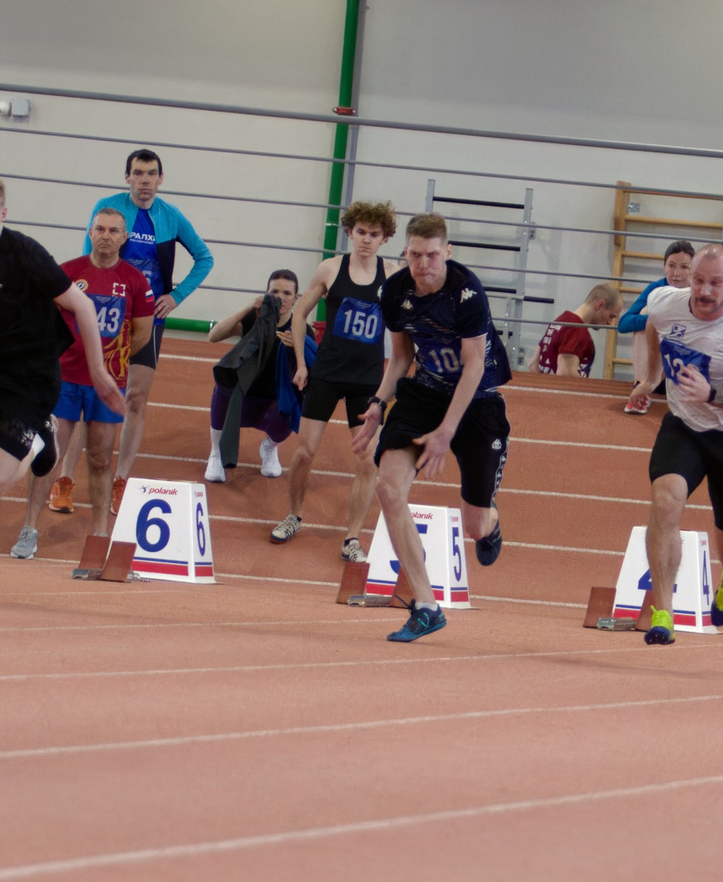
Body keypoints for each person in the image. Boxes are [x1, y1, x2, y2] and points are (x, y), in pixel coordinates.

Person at [0, 173, 119, 598]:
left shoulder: (24, 253)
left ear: (2, 213)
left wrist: (97, 370)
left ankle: (40, 438)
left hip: (32, 376)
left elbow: (84, 305)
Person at [351, 213, 512, 643]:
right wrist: (377, 403)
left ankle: (491, 521)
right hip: (424, 392)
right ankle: (426, 605)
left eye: (433, 255)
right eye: (416, 255)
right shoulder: (395, 291)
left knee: (474, 524)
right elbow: (401, 357)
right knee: (388, 488)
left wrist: (446, 431)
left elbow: (474, 366)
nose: (424, 264)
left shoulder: (467, 292)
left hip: (477, 401)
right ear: (406, 252)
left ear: (448, 252)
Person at [625, 243, 723, 645]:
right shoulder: (667, 302)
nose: (705, 292)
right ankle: (663, 612)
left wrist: (712, 394)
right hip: (684, 425)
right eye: (698, 281)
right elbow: (653, 324)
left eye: (715, 283)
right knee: (665, 498)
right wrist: (653, 376)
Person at [13, 208, 152, 558]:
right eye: (100, 229)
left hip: (108, 384)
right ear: (90, 232)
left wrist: (110, 362)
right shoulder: (67, 272)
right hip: (64, 379)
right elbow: (44, 319)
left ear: (124, 237)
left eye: (113, 230)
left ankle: (100, 535)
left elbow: (142, 334)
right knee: (48, 453)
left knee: (102, 459)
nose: (106, 235)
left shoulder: (136, 281)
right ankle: (29, 528)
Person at [277, 200, 396, 557]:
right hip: (327, 372)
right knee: (304, 453)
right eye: (360, 232)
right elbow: (299, 314)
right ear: (349, 232)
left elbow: (406, 327)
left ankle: (352, 538)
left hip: (367, 380)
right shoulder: (330, 269)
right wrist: (301, 363)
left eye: (374, 235)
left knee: (367, 461)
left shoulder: (392, 276)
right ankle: (294, 515)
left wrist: (393, 376)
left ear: (384, 238)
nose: (366, 240)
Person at [92, 150, 212, 485]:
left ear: (161, 179)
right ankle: (67, 478)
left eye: (151, 173)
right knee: (94, 392)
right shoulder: (111, 209)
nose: (144, 180)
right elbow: (92, 253)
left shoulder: (170, 216)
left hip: (149, 321)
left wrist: (176, 296)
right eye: (138, 173)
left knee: (135, 398)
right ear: (127, 177)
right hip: (109, 317)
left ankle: (120, 477)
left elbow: (204, 258)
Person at [203, 270, 301, 485]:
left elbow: (310, 372)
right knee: (223, 388)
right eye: (275, 291)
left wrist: (297, 347)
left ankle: (270, 447)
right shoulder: (253, 319)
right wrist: (249, 307)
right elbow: (214, 336)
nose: (280, 297)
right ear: (266, 293)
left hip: (272, 403)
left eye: (287, 292)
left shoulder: (301, 330)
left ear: (296, 298)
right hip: (242, 399)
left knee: (290, 407)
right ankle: (216, 454)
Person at [616, 241, 695, 410]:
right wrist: (660, 320)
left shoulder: (697, 291)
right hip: (656, 368)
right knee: (647, 311)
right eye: (671, 266)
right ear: (664, 266)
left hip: (684, 366)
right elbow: (623, 324)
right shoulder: (656, 289)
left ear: (693, 269)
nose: (676, 273)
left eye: (684, 267)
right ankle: (642, 384)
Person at [534, 282, 624, 378]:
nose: (610, 323)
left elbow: (533, 364)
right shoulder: (577, 331)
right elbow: (566, 373)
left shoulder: (559, 321)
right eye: (611, 316)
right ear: (599, 305)